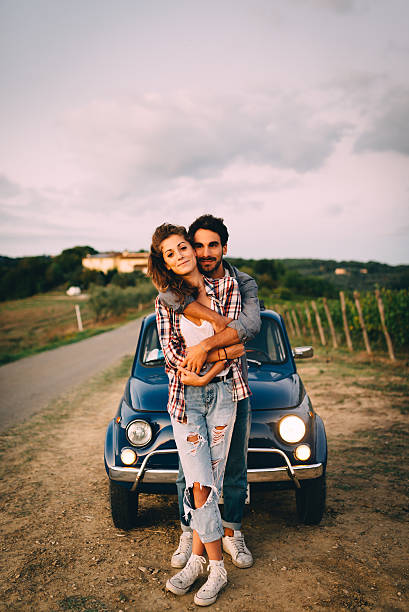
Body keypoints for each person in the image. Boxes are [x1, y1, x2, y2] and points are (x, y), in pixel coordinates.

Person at [148, 222, 251, 606]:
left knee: (210, 483)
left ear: (192, 248)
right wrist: (211, 360)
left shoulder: (228, 289)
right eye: (170, 254)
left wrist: (207, 366)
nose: (180, 256)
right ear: (166, 264)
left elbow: (238, 339)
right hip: (184, 400)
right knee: (198, 482)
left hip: (224, 395)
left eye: (182, 248)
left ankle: (196, 560)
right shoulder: (166, 301)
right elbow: (172, 354)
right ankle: (216, 567)